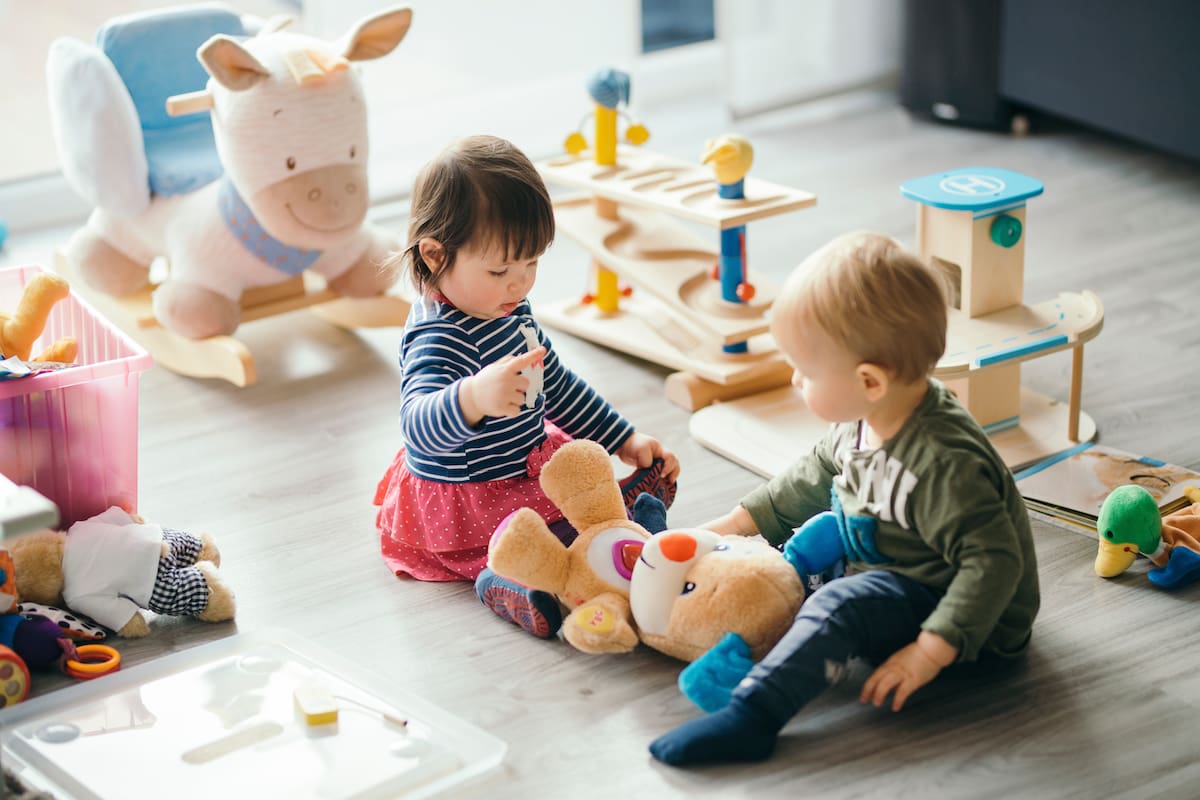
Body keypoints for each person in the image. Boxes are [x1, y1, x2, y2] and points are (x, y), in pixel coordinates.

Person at [649, 231, 1040, 766]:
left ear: (869, 381)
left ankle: (754, 715)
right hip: (892, 562)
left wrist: (930, 651)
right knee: (787, 568)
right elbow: (813, 473)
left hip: (970, 618)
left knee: (836, 603)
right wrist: (728, 527)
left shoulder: (944, 464)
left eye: (806, 372)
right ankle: (747, 644)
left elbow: (994, 563)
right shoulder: (864, 419)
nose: (794, 378)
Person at [373, 135, 680, 639]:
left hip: (523, 464)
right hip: (469, 497)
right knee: (525, 543)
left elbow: (555, 385)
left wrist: (624, 439)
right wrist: (472, 398)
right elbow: (417, 428)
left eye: (532, 264)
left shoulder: (508, 308)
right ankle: (509, 584)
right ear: (433, 256)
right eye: (500, 270)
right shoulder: (438, 336)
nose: (520, 285)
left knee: (577, 484)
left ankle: (622, 517)